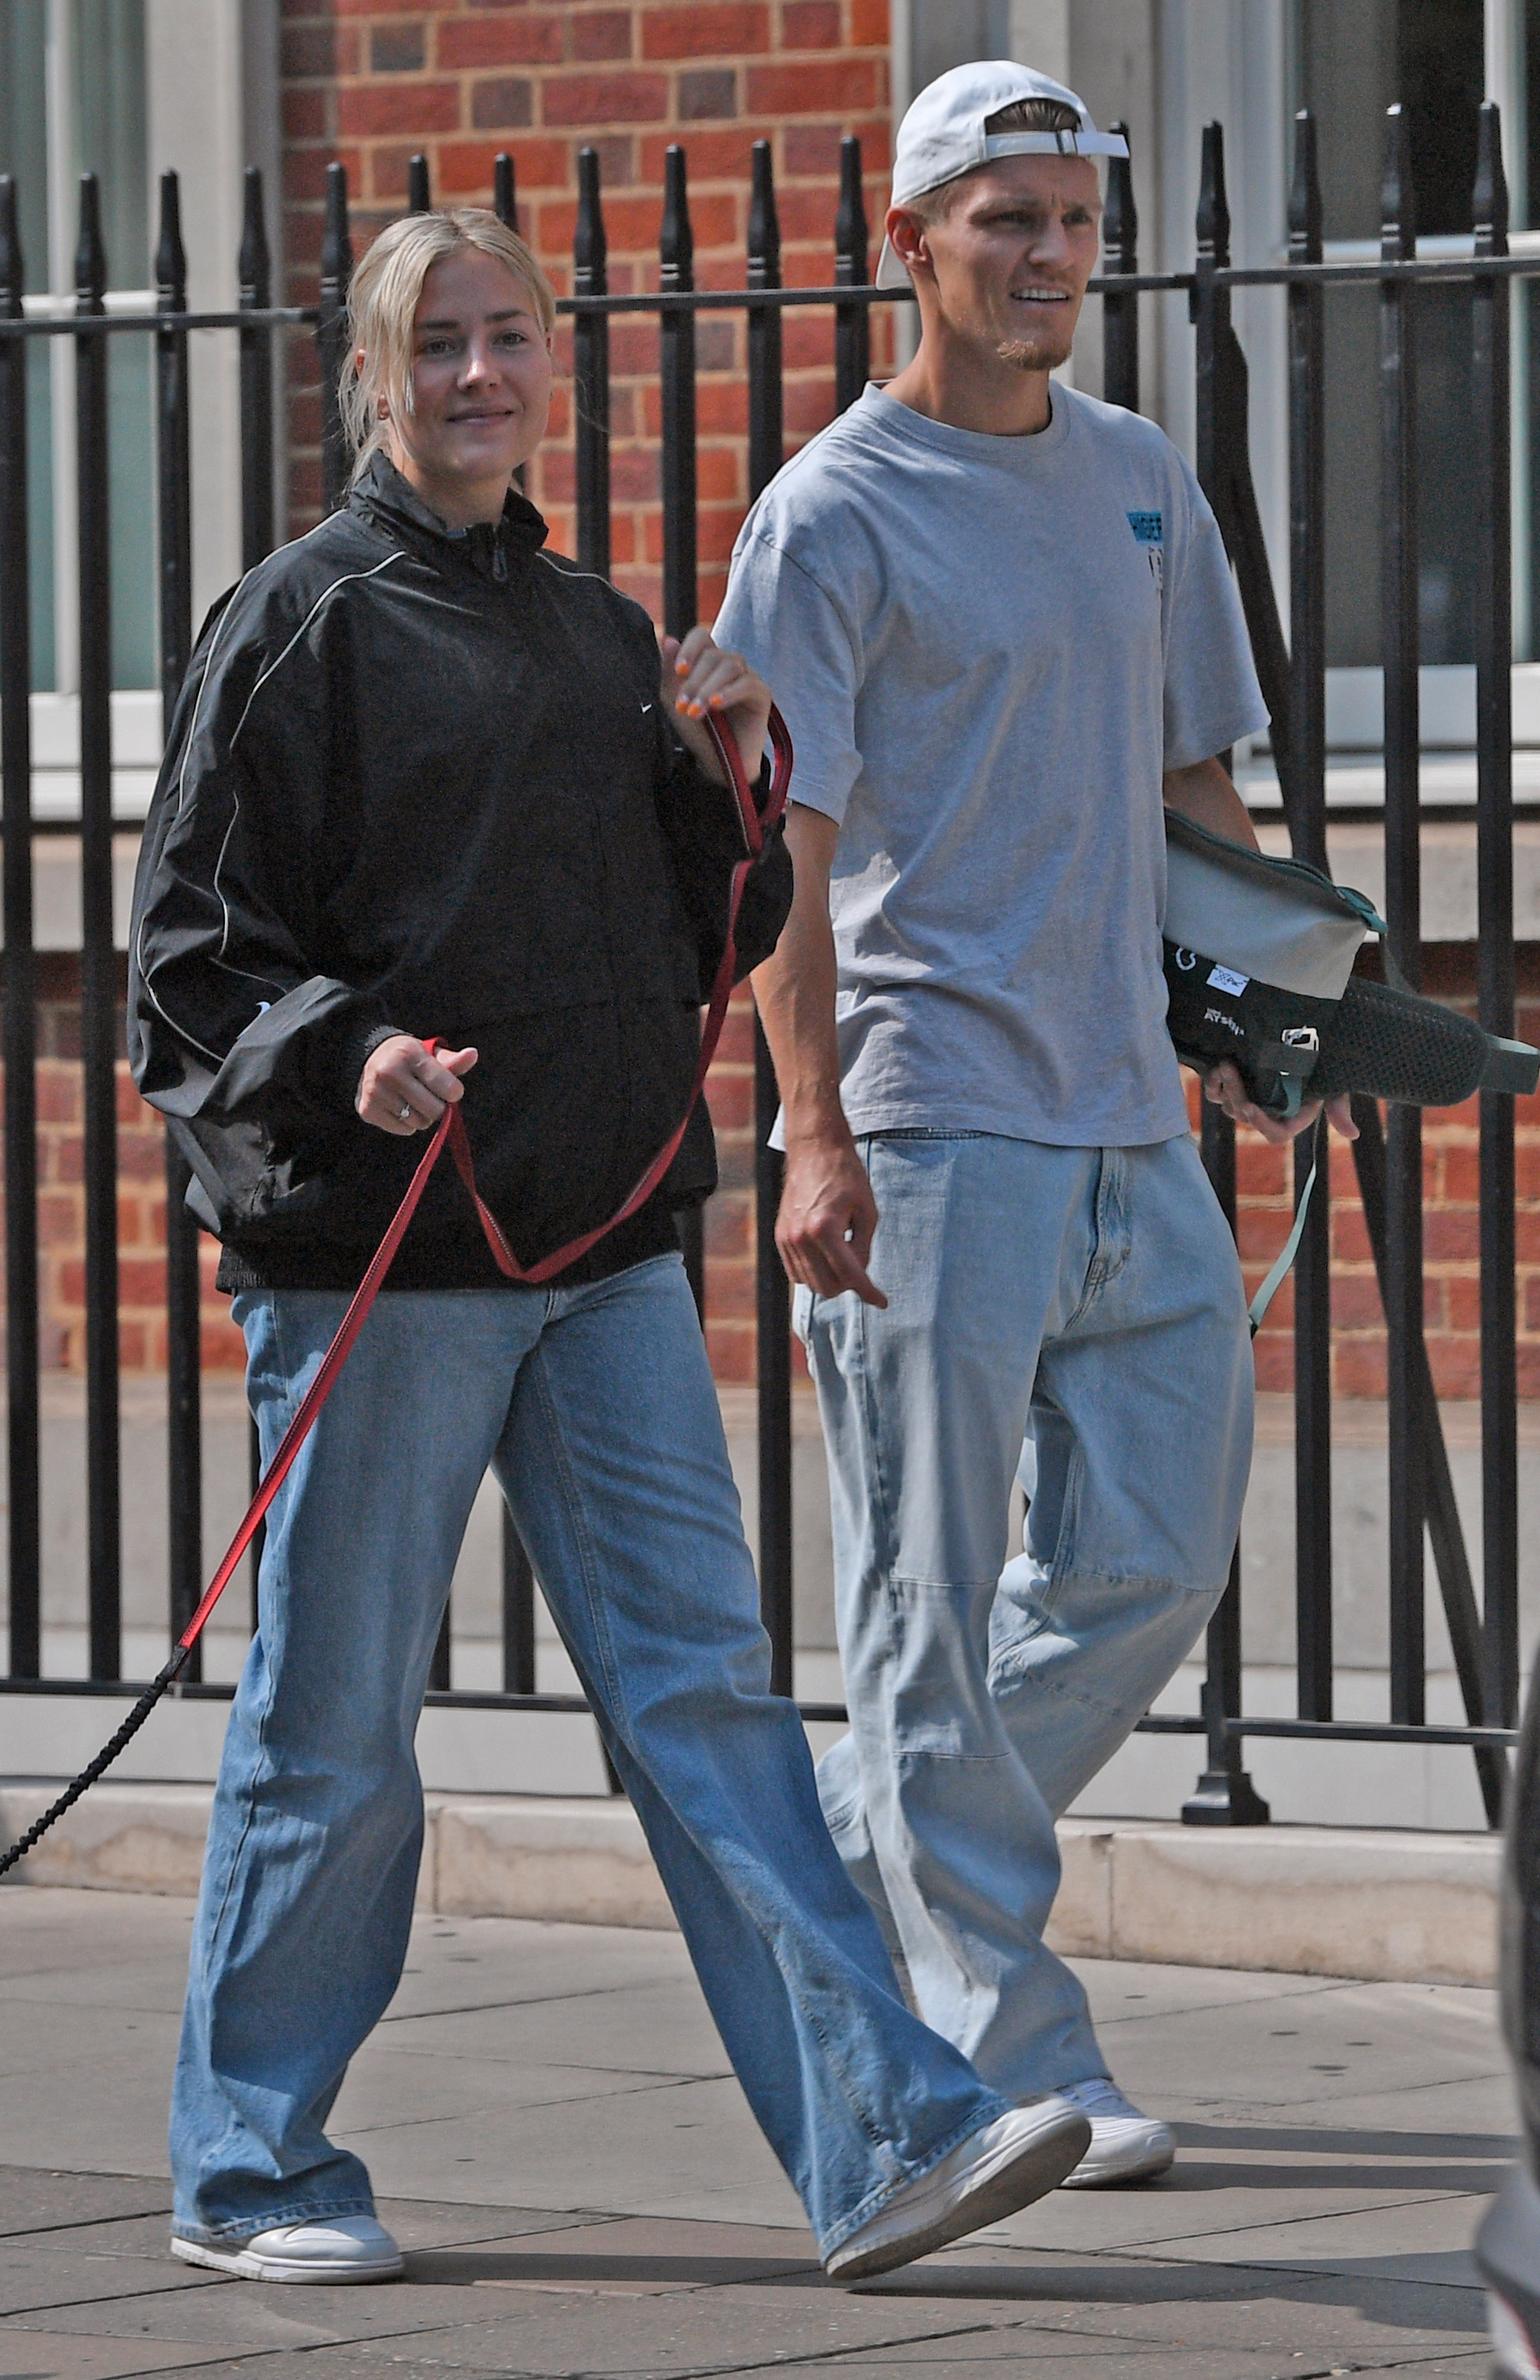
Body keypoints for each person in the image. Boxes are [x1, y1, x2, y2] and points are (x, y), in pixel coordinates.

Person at [128, 204, 1096, 2290]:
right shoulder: (293, 626)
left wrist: (726, 774)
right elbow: (187, 965)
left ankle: (889, 2135)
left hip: (607, 1252)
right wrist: (353, 1052)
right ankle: (252, 2162)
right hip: (382, 1265)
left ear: (554, 366)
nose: (481, 377)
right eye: (439, 346)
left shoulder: (596, 633)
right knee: (337, 1722)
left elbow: (699, 940)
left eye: (511, 340)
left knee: (716, 1708)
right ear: (373, 381)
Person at [719, 62, 1356, 2188]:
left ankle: (838, 1838)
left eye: (1073, 221)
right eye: (1004, 221)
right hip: (924, 1119)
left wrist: (1293, 1012)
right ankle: (1013, 2046)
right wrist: (809, 1130)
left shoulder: (1142, 478)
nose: (1051, 257)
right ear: (911, 244)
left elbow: (1197, 791)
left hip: (1124, 1119)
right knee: (916, 1592)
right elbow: (778, 853)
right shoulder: (831, 511)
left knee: (1157, 1551)